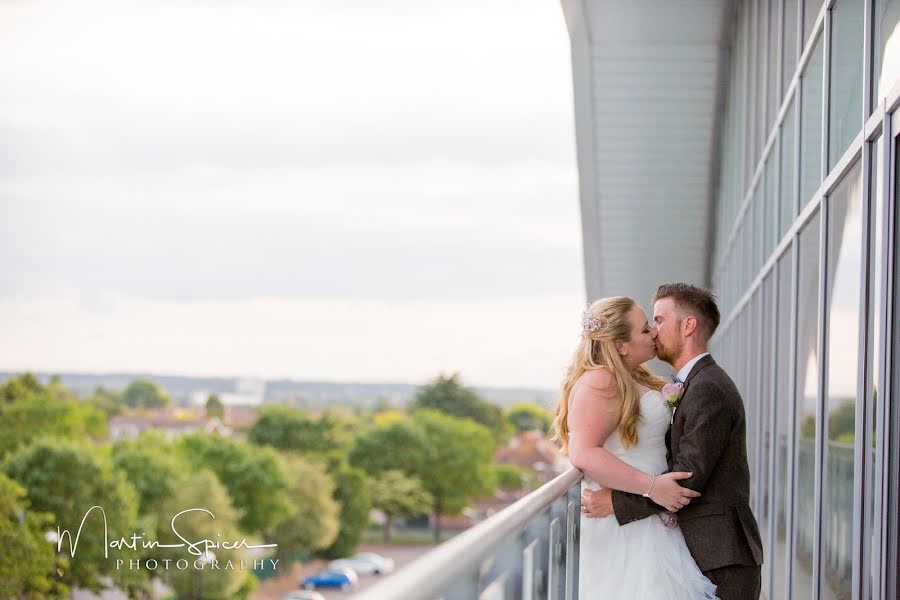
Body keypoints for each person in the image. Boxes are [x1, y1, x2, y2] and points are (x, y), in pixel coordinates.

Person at [580, 283, 763, 599]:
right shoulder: (693, 383)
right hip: (704, 552)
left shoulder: (708, 389)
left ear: (688, 326)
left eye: (660, 320)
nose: (653, 331)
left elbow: (688, 477)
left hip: (720, 559)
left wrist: (616, 502)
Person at [552, 295, 717, 599]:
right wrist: (652, 487)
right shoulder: (600, 381)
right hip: (625, 529)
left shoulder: (633, 377)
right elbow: (584, 452)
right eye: (644, 329)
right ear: (620, 345)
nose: (653, 333)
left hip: (649, 518)